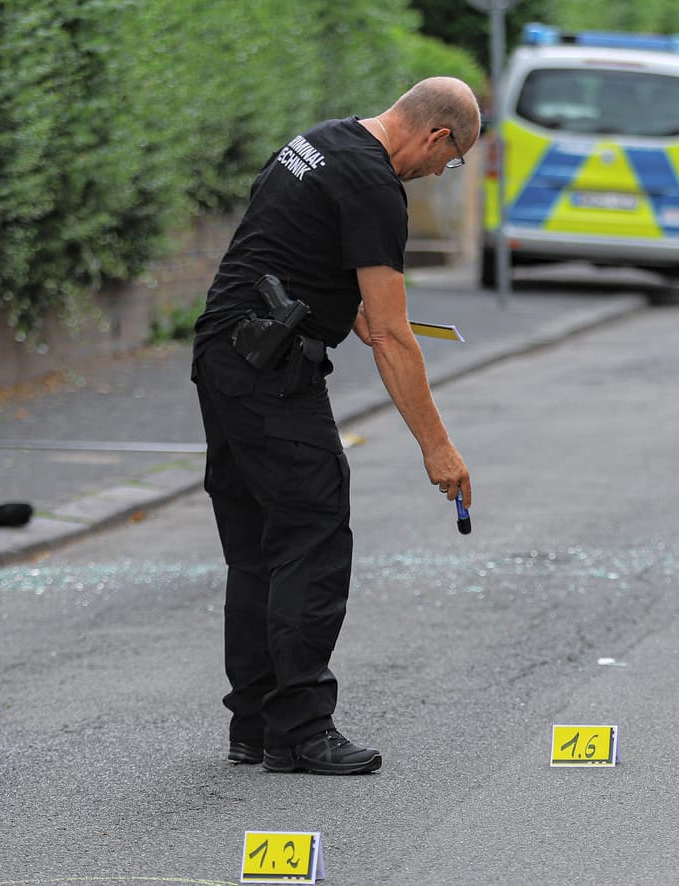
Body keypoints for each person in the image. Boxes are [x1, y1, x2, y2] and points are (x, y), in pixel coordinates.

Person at [190, 77, 481, 774]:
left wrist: (335, 304)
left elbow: (288, 253)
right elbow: (391, 335)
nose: (441, 172)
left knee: (259, 547)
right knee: (313, 537)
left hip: (223, 354)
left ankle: (255, 724)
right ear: (437, 134)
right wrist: (438, 448)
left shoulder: (317, 143)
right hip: (271, 371)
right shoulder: (375, 185)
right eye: (451, 159)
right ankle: (302, 730)